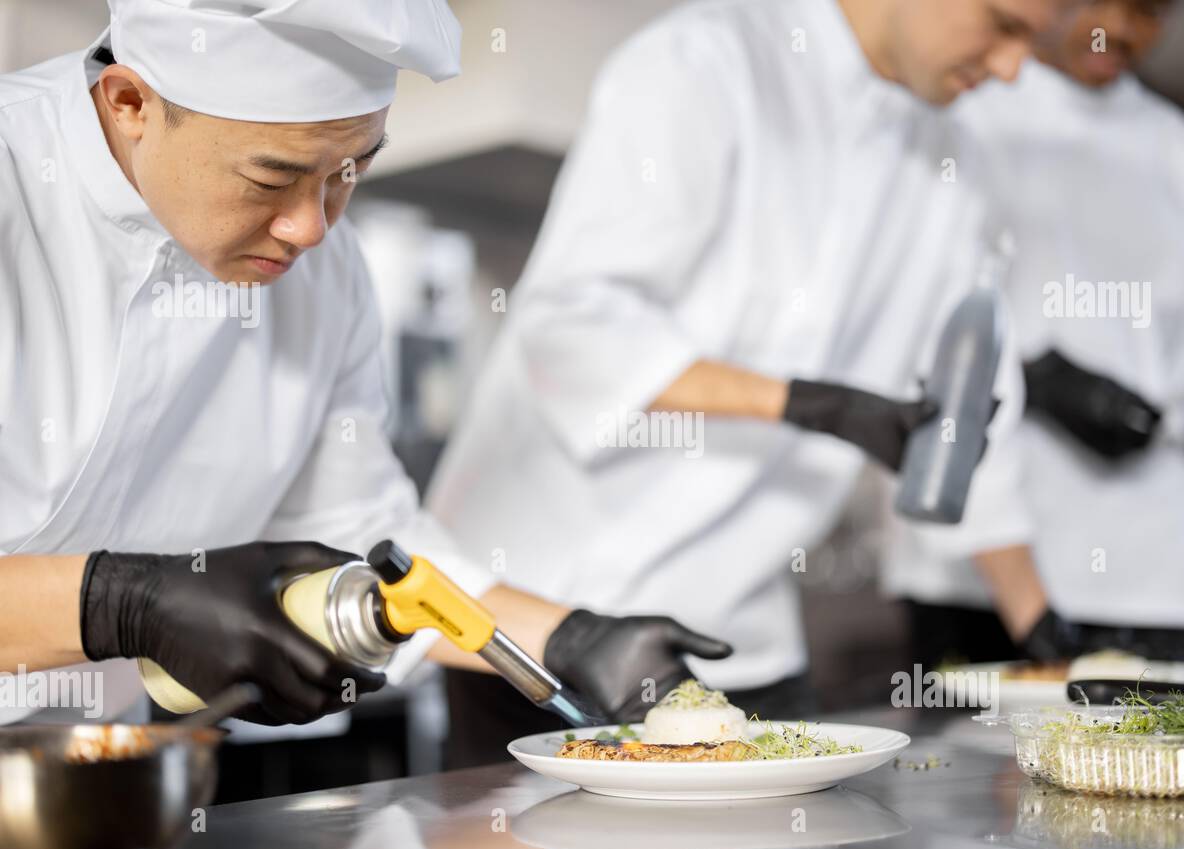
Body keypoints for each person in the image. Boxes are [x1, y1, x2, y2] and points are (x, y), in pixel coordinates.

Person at [0, 0, 727, 729]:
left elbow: (363, 527)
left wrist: (564, 637)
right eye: (269, 177)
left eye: (347, 176)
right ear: (132, 102)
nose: (311, 228)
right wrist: (120, 603)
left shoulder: (328, 276)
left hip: (104, 762)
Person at [428, 0, 1089, 764]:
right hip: (554, 619)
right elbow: (573, 330)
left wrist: (1044, 631)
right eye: (1004, 25)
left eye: (1033, 42)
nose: (1012, 69)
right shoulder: (703, 64)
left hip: (747, 625)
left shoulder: (958, 170)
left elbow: (975, 416)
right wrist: (808, 404)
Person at [881, 0, 1184, 667]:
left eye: (1153, 12)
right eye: (1107, 3)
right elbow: (899, 331)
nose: (1124, 31)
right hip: (970, 577)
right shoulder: (961, 117)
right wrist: (1032, 382)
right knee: (968, 768)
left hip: (1147, 574)